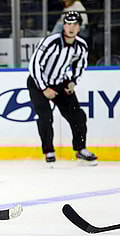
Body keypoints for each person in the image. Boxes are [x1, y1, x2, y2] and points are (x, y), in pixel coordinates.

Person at [27, 11, 97, 166]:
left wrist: (73, 81)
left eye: (75, 24)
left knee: (77, 116)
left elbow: (80, 65)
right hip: (38, 83)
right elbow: (34, 64)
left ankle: (80, 149)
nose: (71, 27)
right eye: (68, 24)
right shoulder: (51, 42)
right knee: (45, 117)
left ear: (80, 27)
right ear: (63, 26)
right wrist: (44, 88)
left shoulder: (81, 46)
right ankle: (49, 151)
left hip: (60, 83)